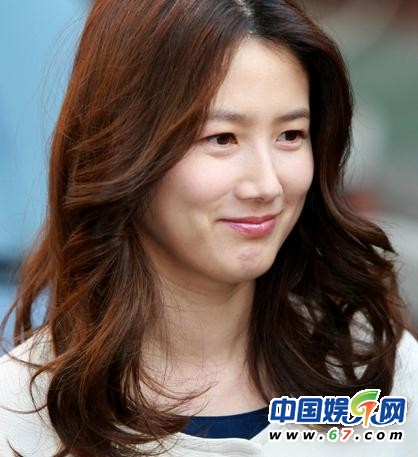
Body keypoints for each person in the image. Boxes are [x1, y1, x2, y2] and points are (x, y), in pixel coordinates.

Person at [0, 0, 417, 456]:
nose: (267, 185)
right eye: (221, 138)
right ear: (122, 149)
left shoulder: (376, 371)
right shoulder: (20, 415)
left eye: (290, 135)